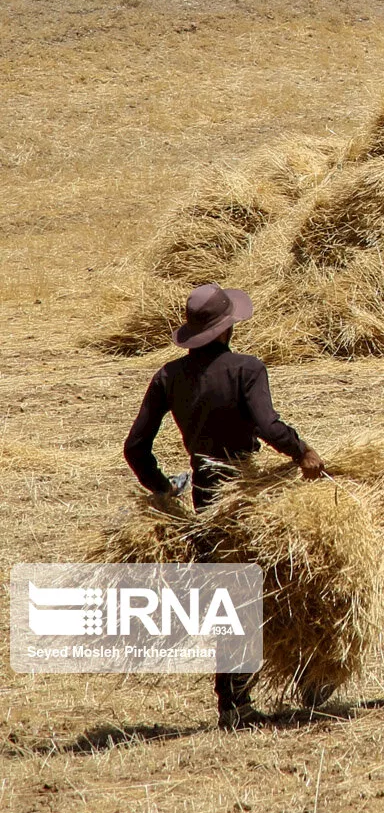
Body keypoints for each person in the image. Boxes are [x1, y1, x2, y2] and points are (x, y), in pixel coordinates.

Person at [123, 282, 325, 730]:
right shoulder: (246, 369)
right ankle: (306, 680)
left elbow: (135, 447)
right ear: (226, 327)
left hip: (205, 495)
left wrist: (162, 491)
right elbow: (267, 426)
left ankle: (233, 703)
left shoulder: (168, 377)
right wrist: (303, 452)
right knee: (286, 580)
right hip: (247, 491)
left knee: (229, 594)